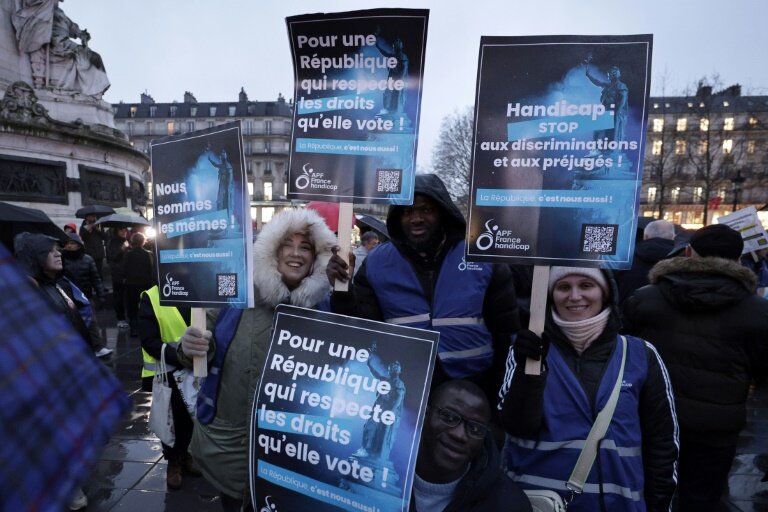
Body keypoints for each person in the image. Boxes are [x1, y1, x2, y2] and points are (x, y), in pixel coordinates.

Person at [177, 208, 336, 511]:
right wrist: (188, 347)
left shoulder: (328, 311)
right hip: (233, 448)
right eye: (287, 244)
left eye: (306, 247)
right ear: (271, 251)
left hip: (295, 456)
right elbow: (197, 351)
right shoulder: (236, 295)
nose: (296, 254)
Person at [327, 173, 520, 403]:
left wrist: (501, 397)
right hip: (406, 395)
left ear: (443, 213)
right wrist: (343, 291)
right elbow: (361, 331)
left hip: (476, 388)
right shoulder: (377, 263)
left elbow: (506, 333)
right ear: (397, 217)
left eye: (426, 210)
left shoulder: (481, 256)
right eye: (408, 211)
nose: (416, 218)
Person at [499, 266, 678, 512]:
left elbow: (662, 443)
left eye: (586, 285)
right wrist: (527, 374)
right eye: (563, 287)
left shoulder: (641, 355)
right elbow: (517, 427)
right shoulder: (526, 354)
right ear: (551, 294)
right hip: (543, 504)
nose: (574, 296)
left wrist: (659, 505)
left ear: (605, 293)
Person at [622, 223, 768, 512]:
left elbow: (623, 353)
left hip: (651, 418)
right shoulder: (757, 311)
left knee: (647, 493)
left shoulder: (646, 298)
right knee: (701, 498)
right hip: (716, 428)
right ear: (738, 260)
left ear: (688, 252)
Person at [13, 232, 106, 510]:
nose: (59, 253)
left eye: (59, 249)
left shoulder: (59, 284)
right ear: (33, 257)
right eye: (50, 250)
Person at [413, 380, 532, 512]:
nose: (459, 435)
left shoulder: (508, 505)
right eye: (449, 417)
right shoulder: (388, 466)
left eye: (475, 428)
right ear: (424, 414)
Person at [137, 284, 201, 489]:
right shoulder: (151, 296)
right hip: (168, 373)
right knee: (172, 420)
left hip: (195, 370)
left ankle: (188, 455)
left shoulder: (198, 289)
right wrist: (181, 357)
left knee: (193, 417)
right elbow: (149, 341)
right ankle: (174, 461)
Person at [12, 0, 110, 96]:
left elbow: (72, 26)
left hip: (66, 42)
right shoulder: (44, 7)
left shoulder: (60, 12)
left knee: (95, 57)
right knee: (89, 57)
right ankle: (91, 90)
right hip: (57, 43)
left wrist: (81, 34)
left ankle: (95, 91)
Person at [62, 232, 111, 358]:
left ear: (79, 245)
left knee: (92, 323)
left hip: (85, 297)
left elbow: (96, 278)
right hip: (68, 298)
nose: (69, 246)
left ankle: (98, 347)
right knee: (71, 324)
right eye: (67, 243)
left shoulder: (87, 259)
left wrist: (101, 294)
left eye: (72, 243)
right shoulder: (62, 259)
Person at [355, 342, 405, 461]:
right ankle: (365, 449)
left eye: (396, 367)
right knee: (368, 427)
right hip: (378, 409)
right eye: (392, 366)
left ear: (399, 370)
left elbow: (399, 397)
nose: (393, 367)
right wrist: (368, 364)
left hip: (387, 412)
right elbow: (376, 374)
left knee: (382, 435)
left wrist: (390, 412)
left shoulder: (399, 383)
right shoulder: (385, 379)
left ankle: (374, 454)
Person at [614, 219, 676, 304]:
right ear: (673, 237)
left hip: (629, 313)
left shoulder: (623, 259)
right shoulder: (682, 259)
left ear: (646, 236)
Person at [585, 60, 628, 144]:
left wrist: (617, 112)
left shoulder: (621, 86)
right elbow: (597, 83)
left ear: (614, 74)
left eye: (610, 74)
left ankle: (610, 151)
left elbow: (623, 99)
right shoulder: (608, 85)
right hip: (606, 111)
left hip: (614, 112)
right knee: (598, 131)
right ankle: (597, 149)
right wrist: (588, 75)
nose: (608, 75)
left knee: (611, 134)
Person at [123, 232, 154, 337]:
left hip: (131, 284)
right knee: (145, 306)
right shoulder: (148, 254)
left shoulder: (127, 254)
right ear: (143, 241)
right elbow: (151, 269)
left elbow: (123, 269)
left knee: (132, 307)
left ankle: (134, 328)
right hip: (145, 284)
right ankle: (146, 327)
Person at [106, 226, 129, 329]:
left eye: (125, 229)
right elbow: (112, 257)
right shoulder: (112, 243)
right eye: (121, 229)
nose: (124, 231)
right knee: (118, 297)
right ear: (116, 230)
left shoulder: (127, 240)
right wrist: (122, 249)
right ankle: (120, 318)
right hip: (117, 274)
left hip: (128, 273)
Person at [79, 213, 107, 280]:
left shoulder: (99, 225)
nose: (94, 217)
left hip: (99, 252)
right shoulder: (83, 226)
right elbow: (82, 237)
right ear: (87, 217)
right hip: (90, 252)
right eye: (92, 216)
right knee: (91, 270)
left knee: (100, 270)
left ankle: (101, 285)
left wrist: (98, 230)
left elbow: (105, 236)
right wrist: (88, 229)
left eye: (94, 216)